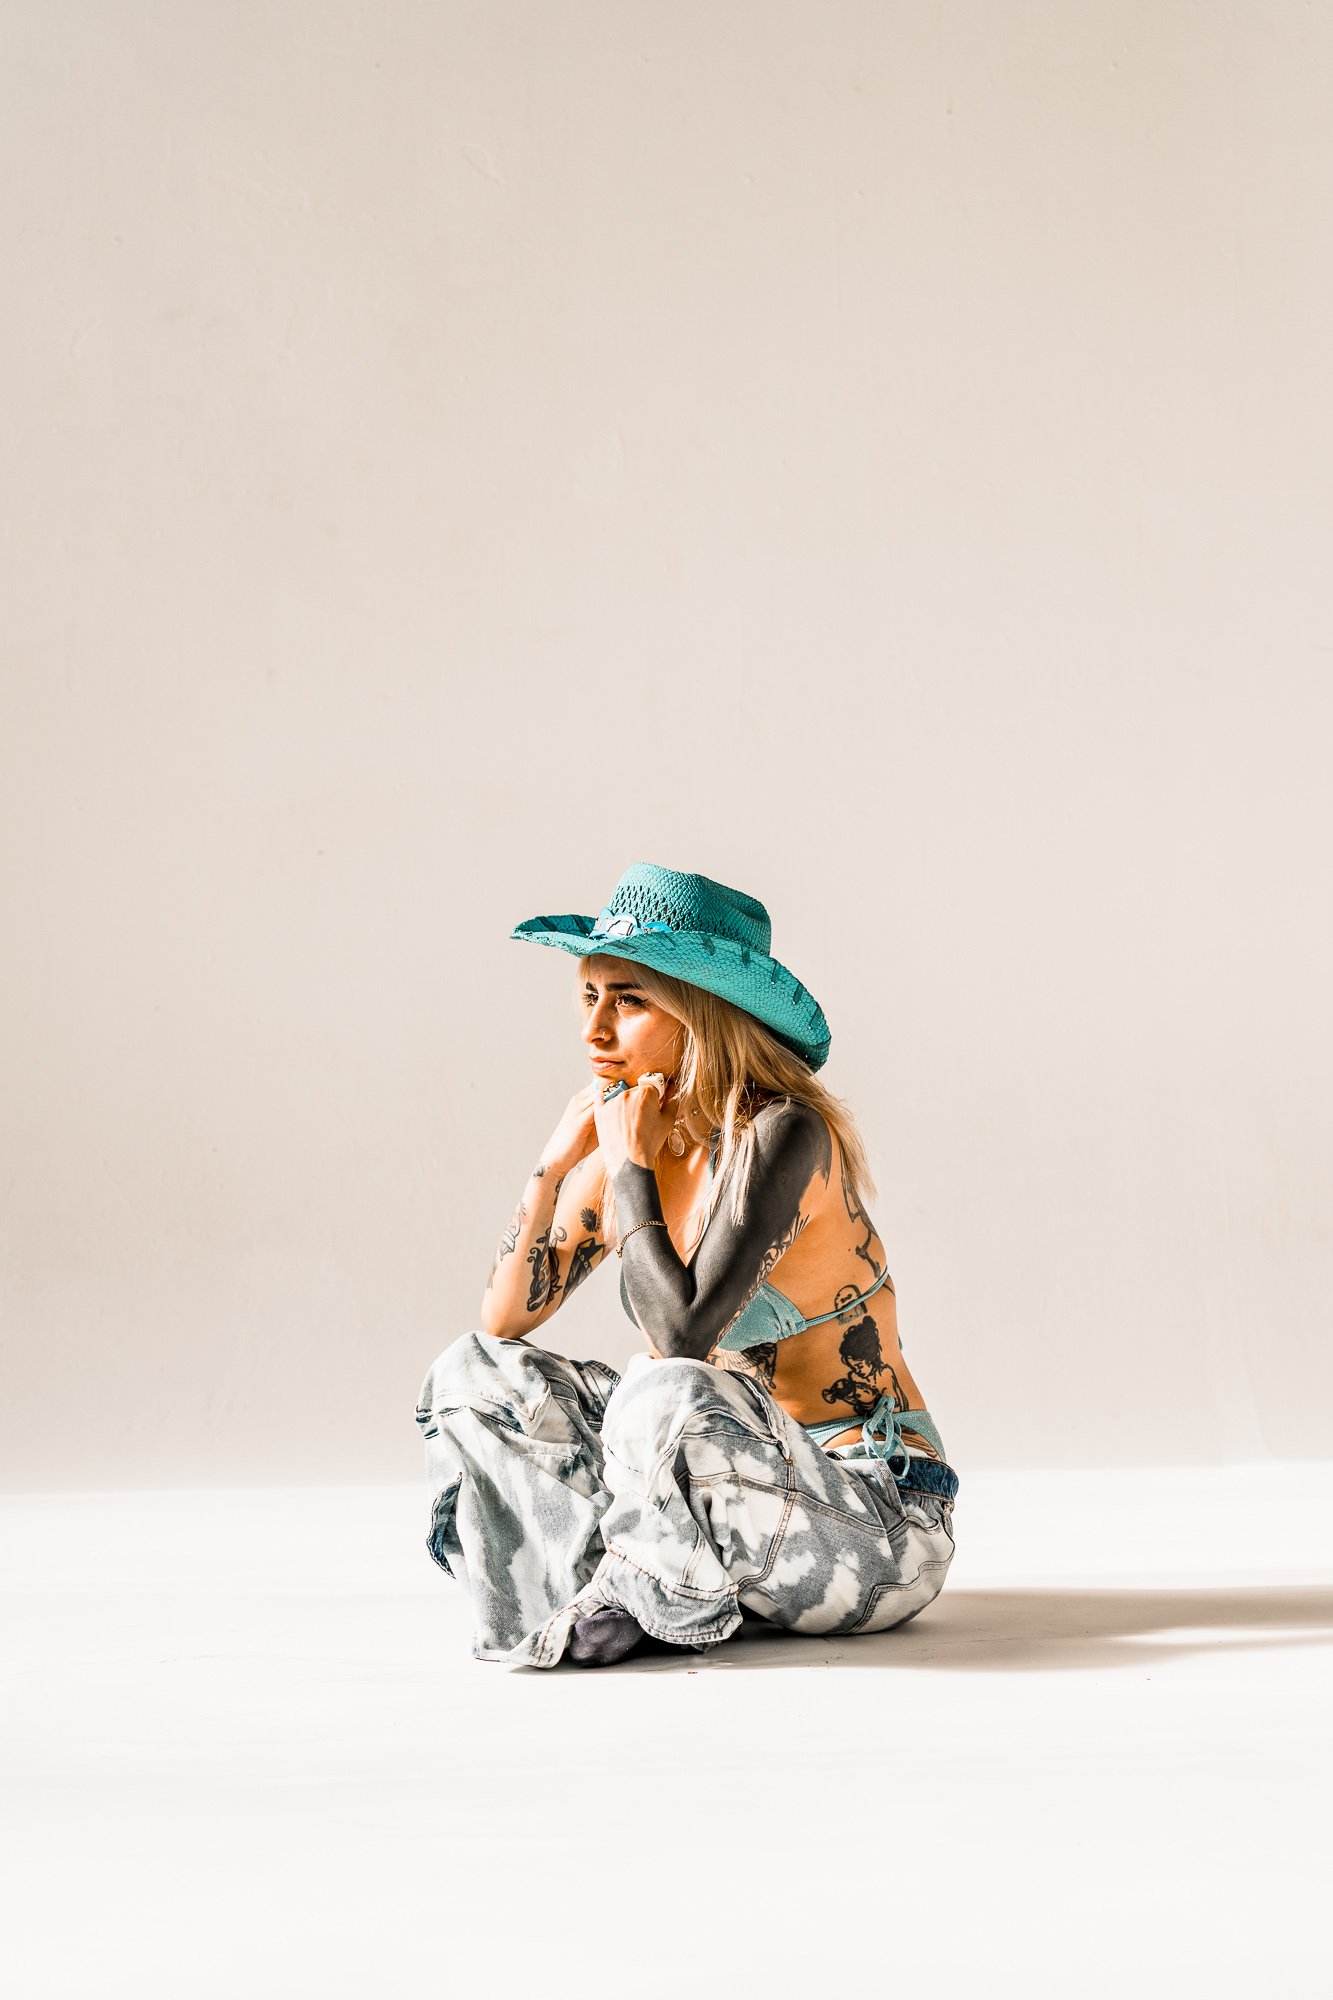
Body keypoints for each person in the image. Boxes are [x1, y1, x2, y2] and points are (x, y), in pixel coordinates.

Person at [414, 862, 959, 1669]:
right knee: (473, 1372)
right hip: (721, 1502)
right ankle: (603, 1595)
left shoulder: (783, 1133)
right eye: (588, 996)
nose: (594, 1030)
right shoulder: (628, 1138)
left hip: (875, 1521)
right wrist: (554, 1167)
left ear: (705, 1014)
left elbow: (680, 1339)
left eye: (629, 1001)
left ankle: (641, 1598)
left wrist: (628, 1167)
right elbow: (504, 1323)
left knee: (662, 1387)